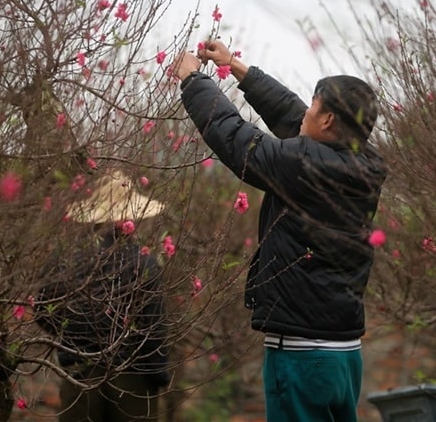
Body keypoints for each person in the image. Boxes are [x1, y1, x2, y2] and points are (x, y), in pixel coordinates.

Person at [169, 41, 387, 422]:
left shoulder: (303, 165)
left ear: (330, 121)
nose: (307, 111)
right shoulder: (364, 162)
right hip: (344, 353)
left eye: (315, 105)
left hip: (302, 354)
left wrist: (194, 81)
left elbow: (237, 140)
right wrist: (238, 69)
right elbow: (294, 116)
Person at [35, 170, 170, 422]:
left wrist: (72, 337)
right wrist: (158, 375)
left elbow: (43, 308)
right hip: (133, 378)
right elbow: (153, 326)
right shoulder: (144, 263)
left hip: (80, 373)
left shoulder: (66, 259)